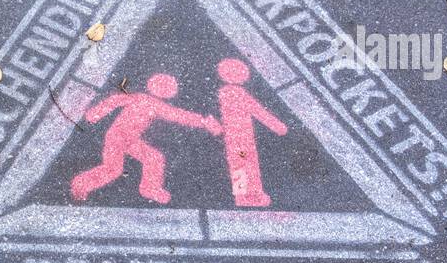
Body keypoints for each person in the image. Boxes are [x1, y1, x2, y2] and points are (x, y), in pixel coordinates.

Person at [71, 73, 221, 204]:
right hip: (118, 136)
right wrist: (204, 122)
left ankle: (150, 188)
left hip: (129, 139)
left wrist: (95, 113)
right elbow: (178, 115)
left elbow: (115, 100)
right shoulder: (151, 103)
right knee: (115, 168)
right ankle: (81, 184)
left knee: (152, 158)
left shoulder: (145, 100)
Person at [215, 58, 287, 207]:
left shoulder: (223, 92)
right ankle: (253, 195)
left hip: (231, 138)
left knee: (239, 165)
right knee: (248, 164)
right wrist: (278, 127)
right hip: (242, 138)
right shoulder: (240, 94)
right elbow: (259, 111)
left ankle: (241, 196)